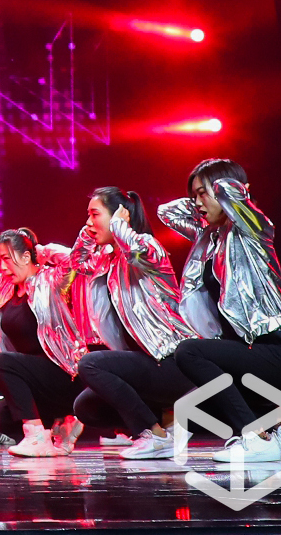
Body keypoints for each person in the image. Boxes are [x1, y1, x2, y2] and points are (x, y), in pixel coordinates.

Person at [157, 158, 281, 465]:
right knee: (194, 407)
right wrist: (203, 193)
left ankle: (255, 438)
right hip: (255, 353)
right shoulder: (211, 238)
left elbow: (231, 194)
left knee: (189, 352)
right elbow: (166, 212)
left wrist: (222, 184)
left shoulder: (252, 228)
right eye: (194, 196)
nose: (197, 203)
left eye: (202, 194)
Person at [68, 188, 200, 458]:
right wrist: (90, 231)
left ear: (120, 215)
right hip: (145, 362)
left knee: (91, 364)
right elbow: (77, 262)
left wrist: (119, 224)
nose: (89, 222)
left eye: (94, 215)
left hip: (174, 361)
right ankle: (167, 426)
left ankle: (154, 434)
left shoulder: (148, 248)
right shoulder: (108, 260)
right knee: (85, 406)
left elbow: (135, 249)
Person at [0, 227, 85, 457]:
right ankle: (61, 425)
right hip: (33, 378)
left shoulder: (51, 280)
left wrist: (39, 250)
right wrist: (4, 250)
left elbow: (73, 260)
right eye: (0, 260)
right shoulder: (6, 287)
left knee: (1, 361)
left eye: (8, 259)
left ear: (26, 257)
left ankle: (36, 436)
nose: (2, 267)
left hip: (63, 373)